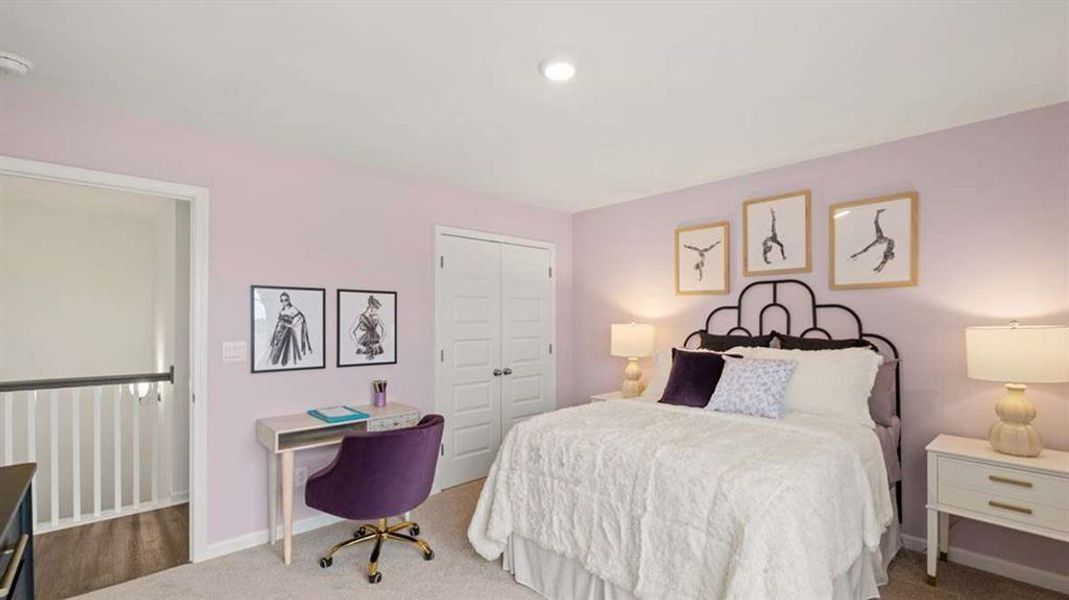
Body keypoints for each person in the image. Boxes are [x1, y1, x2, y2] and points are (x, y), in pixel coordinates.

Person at [268, 292, 312, 366]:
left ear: (289, 300)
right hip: (280, 332)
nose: (284, 302)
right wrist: (277, 329)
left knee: (287, 350)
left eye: (286, 300)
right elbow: (279, 321)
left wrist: (291, 325)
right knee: (276, 349)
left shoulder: (293, 309)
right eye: (282, 300)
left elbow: (301, 318)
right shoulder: (281, 310)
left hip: (288, 333)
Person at [850, 208, 896, 272]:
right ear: (890, 253)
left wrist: (879, 268)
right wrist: (879, 268)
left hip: (880, 240)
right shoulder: (890, 247)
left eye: (888, 256)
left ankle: (878, 213)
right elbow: (884, 261)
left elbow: (884, 261)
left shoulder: (887, 251)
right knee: (876, 224)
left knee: (867, 249)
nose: (886, 255)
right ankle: (878, 213)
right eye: (889, 255)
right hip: (881, 239)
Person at [351, 295, 386, 360]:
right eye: (375, 309)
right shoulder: (360, 317)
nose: (376, 311)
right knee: (363, 358)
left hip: (375, 342)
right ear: (371, 307)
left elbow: (384, 329)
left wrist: (380, 342)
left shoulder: (376, 317)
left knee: (377, 358)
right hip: (364, 342)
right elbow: (351, 332)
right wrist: (358, 345)